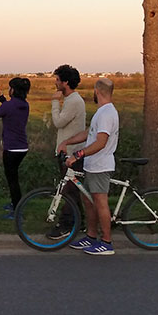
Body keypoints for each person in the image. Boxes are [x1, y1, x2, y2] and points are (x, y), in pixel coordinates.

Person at [61, 77, 120, 256]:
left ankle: (107, 242)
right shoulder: (101, 112)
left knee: (100, 203)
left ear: (97, 91)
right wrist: (67, 142)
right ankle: (91, 236)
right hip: (92, 165)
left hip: (101, 166)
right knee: (88, 200)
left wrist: (77, 155)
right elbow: (90, 134)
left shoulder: (107, 113)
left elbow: (101, 142)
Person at [48, 64, 86, 239]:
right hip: (67, 151)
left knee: (69, 191)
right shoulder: (71, 100)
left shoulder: (74, 101)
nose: (55, 83)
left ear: (66, 82)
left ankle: (66, 225)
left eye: (57, 80)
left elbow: (58, 122)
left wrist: (55, 102)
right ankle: (82, 222)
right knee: (74, 190)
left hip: (72, 153)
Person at [0, 77, 31, 218]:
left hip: (11, 149)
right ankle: (15, 203)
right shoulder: (24, 104)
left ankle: (17, 210)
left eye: (10, 88)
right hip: (22, 147)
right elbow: (9, 107)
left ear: (13, 90)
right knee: (14, 178)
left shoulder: (10, 106)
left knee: (12, 180)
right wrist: (1, 97)